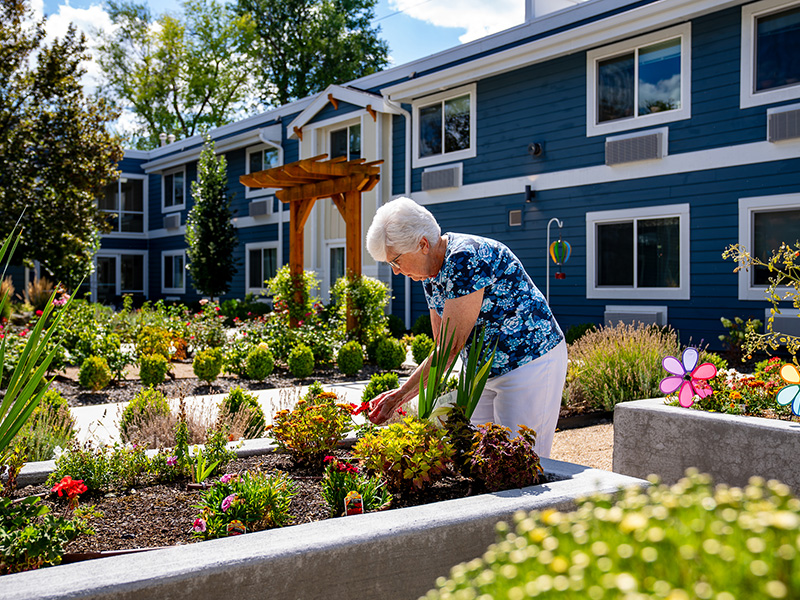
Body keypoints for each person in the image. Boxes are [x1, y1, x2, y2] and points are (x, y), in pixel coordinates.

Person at [364, 196, 567, 458]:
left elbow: (450, 348)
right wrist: (408, 395)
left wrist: (400, 396)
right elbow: (441, 349)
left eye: (396, 261)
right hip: (483, 372)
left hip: (529, 363)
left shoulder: (464, 258)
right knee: (481, 456)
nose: (396, 271)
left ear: (422, 244)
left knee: (521, 459)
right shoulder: (430, 275)